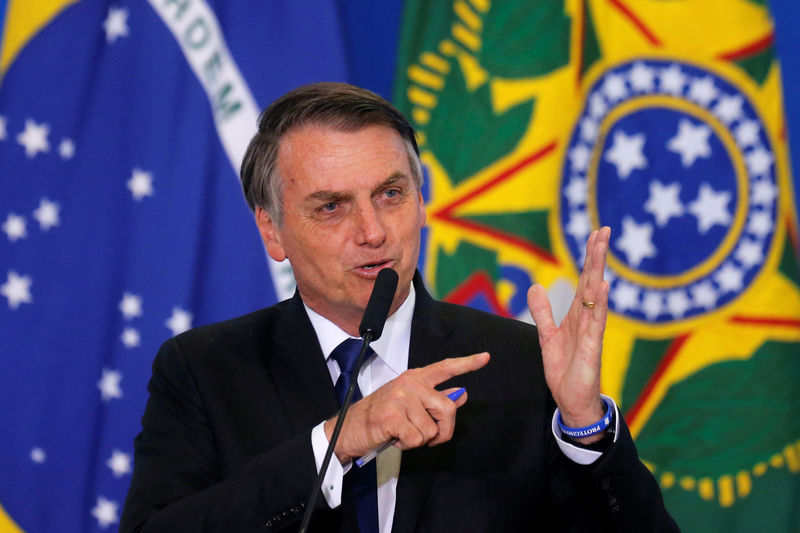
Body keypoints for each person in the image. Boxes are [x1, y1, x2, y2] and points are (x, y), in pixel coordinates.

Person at [120, 82, 679, 532]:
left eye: (391, 194)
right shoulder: (204, 370)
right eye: (332, 206)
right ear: (273, 232)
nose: (373, 232)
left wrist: (584, 427)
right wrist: (337, 443)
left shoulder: (519, 363)